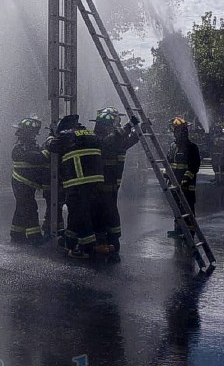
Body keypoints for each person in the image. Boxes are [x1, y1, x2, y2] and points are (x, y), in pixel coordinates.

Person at [47, 113, 103, 259]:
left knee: (81, 214)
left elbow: (52, 146)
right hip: (96, 181)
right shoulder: (90, 133)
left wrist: (50, 136)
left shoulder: (66, 135)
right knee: (77, 214)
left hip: (78, 182)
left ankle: (87, 248)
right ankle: (70, 241)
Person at [93, 108, 140, 254]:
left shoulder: (113, 138)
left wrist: (140, 130)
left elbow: (126, 141)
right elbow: (113, 140)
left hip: (110, 182)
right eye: (115, 121)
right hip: (103, 182)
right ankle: (105, 240)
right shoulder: (100, 139)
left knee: (109, 210)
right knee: (103, 211)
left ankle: (111, 241)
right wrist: (129, 126)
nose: (117, 124)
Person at [10, 117, 50, 245]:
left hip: (24, 183)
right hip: (22, 183)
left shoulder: (26, 145)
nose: (34, 136)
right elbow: (38, 158)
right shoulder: (23, 147)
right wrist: (48, 150)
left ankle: (17, 234)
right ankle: (35, 237)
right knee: (30, 208)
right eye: (33, 133)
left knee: (21, 207)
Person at [167, 117, 201, 237]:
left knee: (188, 210)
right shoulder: (172, 146)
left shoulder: (192, 147)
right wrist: (167, 175)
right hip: (174, 184)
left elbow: (194, 166)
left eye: (178, 131)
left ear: (184, 132)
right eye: (175, 131)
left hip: (187, 186)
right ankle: (178, 230)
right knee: (177, 209)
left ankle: (190, 233)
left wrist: (186, 179)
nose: (175, 134)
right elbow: (169, 162)